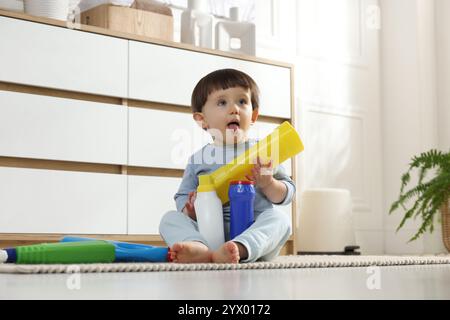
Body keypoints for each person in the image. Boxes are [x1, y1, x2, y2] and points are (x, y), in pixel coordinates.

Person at [159, 69, 295, 263]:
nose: (234, 109)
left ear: (254, 115)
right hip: (209, 231)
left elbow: (288, 192)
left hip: (254, 232)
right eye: (222, 102)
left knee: (280, 220)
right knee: (169, 219)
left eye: (242, 101)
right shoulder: (199, 159)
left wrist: (269, 184)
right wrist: (190, 209)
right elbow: (182, 196)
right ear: (202, 120)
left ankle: (240, 247)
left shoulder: (264, 151)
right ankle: (199, 247)